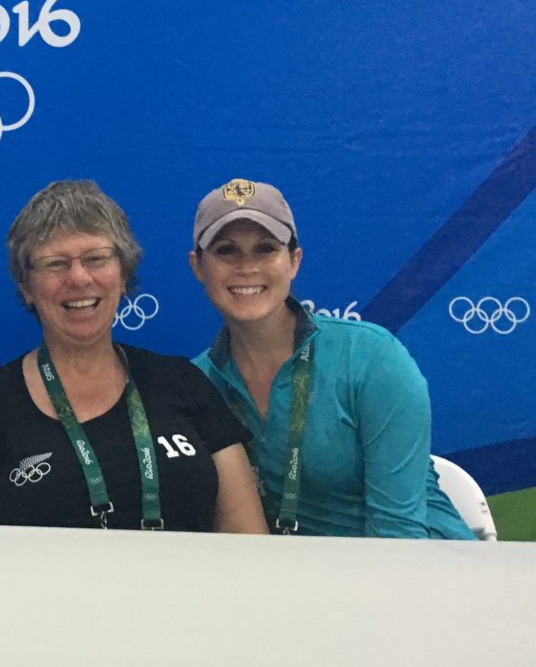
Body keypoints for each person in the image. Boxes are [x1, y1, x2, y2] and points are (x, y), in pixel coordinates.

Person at [0, 181, 266, 532]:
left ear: (123, 275)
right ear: (26, 287)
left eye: (96, 259)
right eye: (55, 264)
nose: (79, 278)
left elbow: (250, 544)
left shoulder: (183, 382)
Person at [188, 177, 474, 538]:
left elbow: (398, 531)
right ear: (197, 266)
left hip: (422, 566)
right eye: (226, 251)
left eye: (265, 249)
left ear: (294, 261)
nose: (247, 267)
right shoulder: (197, 383)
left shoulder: (371, 357)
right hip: (300, 579)